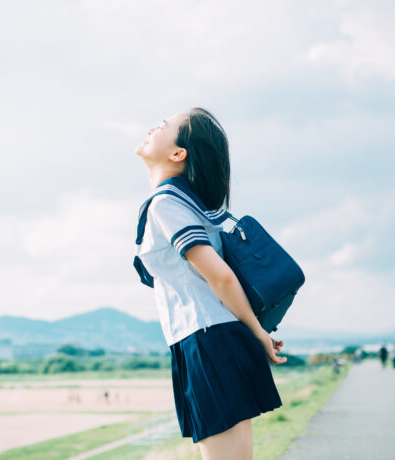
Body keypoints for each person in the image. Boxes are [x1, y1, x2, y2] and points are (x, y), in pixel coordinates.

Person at [133, 107, 286, 460]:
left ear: (178, 153)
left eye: (165, 126)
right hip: (204, 338)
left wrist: (259, 334)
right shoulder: (186, 203)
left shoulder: (166, 205)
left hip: (208, 339)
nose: (154, 125)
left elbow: (220, 275)